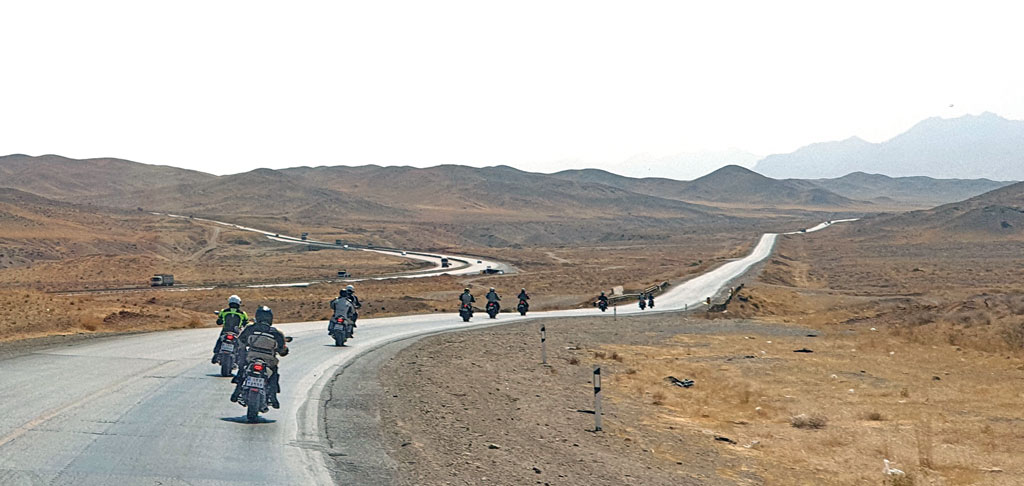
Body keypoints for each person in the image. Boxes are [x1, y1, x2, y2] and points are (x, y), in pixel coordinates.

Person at [231, 305, 289, 408]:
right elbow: (282, 350)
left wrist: (242, 349)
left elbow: (240, 341)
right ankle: (273, 396)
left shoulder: (250, 328)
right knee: (274, 373)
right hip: (269, 361)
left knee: (242, 369)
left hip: (251, 357)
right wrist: (283, 351)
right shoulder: (276, 333)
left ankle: (237, 391)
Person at [212, 295, 248, 364]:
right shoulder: (243, 313)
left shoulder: (224, 311)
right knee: (241, 345)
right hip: (236, 332)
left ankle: (216, 354)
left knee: (220, 341)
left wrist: (220, 320)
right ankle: (243, 359)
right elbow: (246, 322)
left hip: (225, 331)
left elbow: (219, 321)